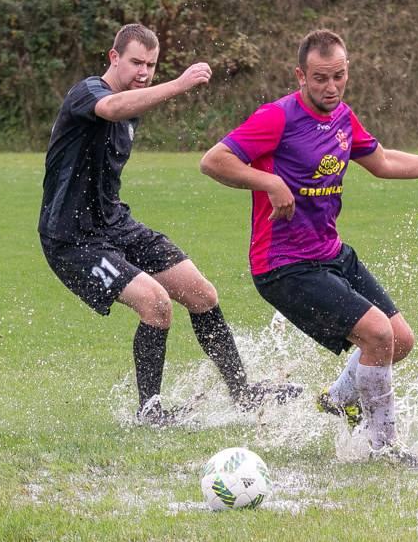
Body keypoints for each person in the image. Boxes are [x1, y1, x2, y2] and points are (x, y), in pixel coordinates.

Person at [200, 29, 418, 463]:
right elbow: (214, 160)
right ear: (301, 75)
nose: (330, 87)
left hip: (330, 254)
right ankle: (385, 448)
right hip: (283, 265)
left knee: (401, 340)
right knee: (376, 335)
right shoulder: (276, 117)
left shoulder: (342, 117)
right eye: (319, 78)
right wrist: (270, 181)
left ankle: (338, 400)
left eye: (338, 76)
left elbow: (386, 162)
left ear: (347, 72)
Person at [38, 23, 300, 426]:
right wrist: (178, 85)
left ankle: (242, 393)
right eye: (135, 62)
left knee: (202, 293)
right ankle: (150, 412)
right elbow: (110, 108)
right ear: (113, 57)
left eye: (151, 65)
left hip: (114, 224)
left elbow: (126, 111)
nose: (143, 72)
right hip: (73, 239)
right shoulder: (88, 93)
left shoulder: (134, 111)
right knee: (156, 304)